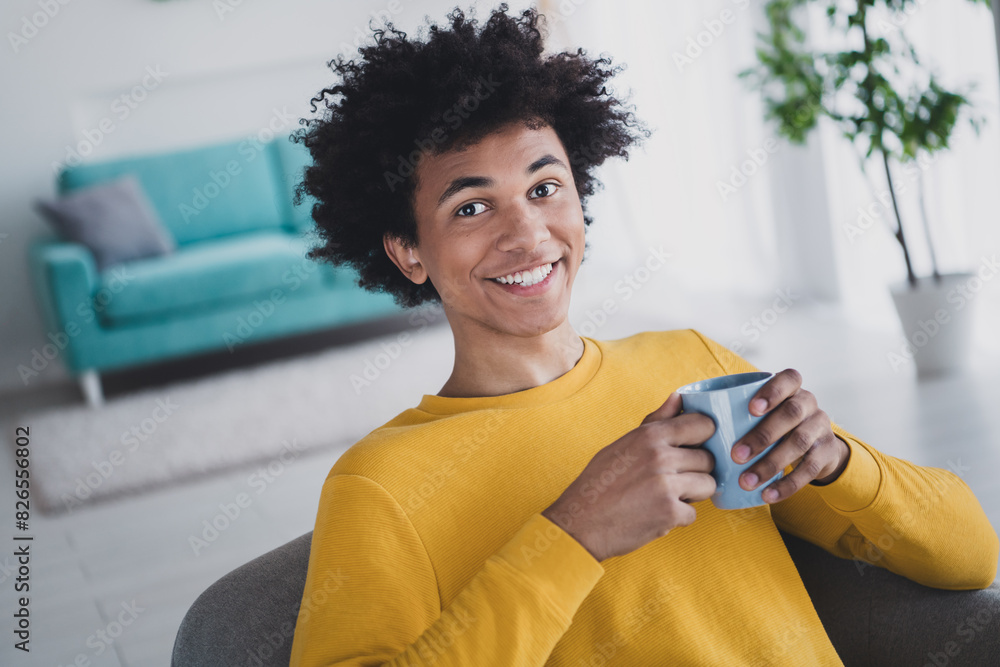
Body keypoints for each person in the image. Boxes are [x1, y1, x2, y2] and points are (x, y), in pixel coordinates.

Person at [286, 5, 999, 665]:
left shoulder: (691, 366)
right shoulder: (379, 485)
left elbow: (972, 555)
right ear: (409, 250)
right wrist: (572, 534)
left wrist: (843, 462)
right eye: (472, 207)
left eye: (544, 188)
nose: (527, 235)